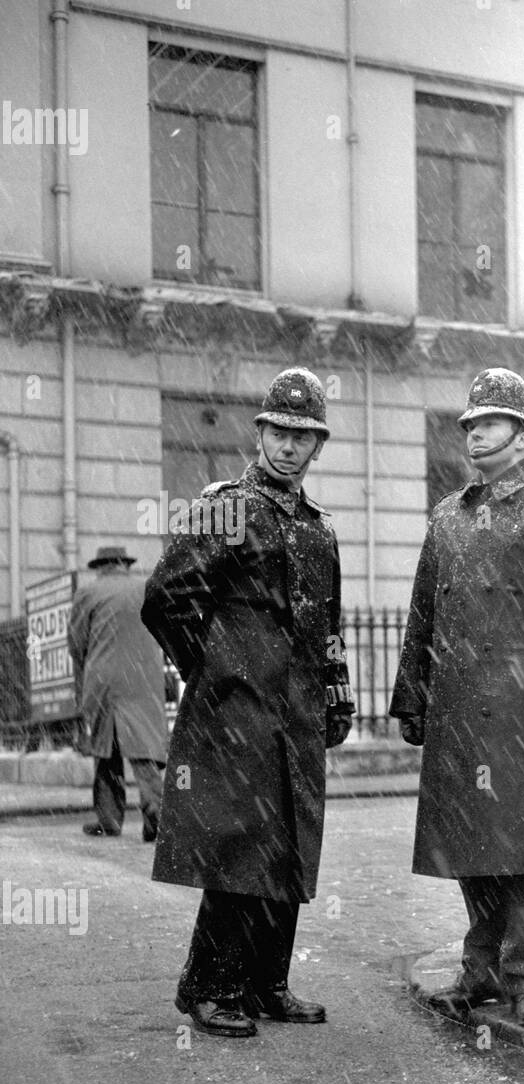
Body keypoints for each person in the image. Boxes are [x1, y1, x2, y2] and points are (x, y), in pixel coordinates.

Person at [141, 367, 355, 1038]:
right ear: (260, 433)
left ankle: (266, 984)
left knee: (287, 845)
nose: (289, 446)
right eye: (279, 432)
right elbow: (165, 599)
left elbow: (330, 628)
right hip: (236, 710)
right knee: (237, 849)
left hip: (296, 714)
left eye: (304, 436)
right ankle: (210, 987)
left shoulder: (318, 529)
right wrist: (213, 668)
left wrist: (335, 696)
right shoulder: (227, 506)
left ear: (317, 445)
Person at [390, 367, 524, 1028]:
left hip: (523, 708)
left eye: (488, 422)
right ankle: (480, 967)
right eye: (469, 424)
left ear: (523, 435)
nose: (474, 433)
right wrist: (412, 695)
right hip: (458, 706)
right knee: (469, 840)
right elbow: (422, 614)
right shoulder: (446, 517)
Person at [68, 545, 169, 841]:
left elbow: (77, 643)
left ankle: (110, 820)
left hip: (104, 679)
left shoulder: (88, 593)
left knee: (105, 750)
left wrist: (83, 674)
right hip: (144, 680)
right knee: (143, 750)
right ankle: (157, 817)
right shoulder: (146, 589)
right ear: (124, 564)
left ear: (101, 566)